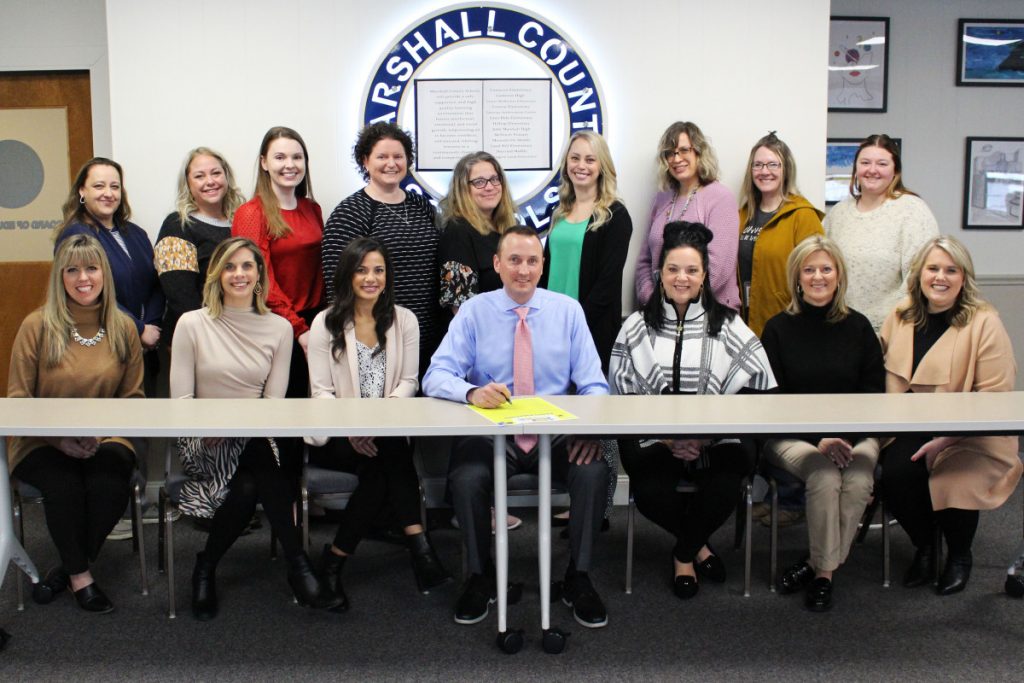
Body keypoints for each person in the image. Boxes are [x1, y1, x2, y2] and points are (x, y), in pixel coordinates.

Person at [423, 225, 611, 629]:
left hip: (556, 432)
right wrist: (471, 392)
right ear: (497, 264)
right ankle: (480, 576)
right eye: (513, 260)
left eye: (531, 261)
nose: (522, 270)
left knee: (595, 471)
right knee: (467, 477)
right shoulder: (475, 311)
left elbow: (595, 384)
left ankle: (578, 577)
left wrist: (589, 430)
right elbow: (435, 376)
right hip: (493, 431)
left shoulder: (567, 310)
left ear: (542, 266)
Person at [170, 237, 341, 620]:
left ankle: (206, 566)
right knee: (265, 470)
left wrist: (238, 428)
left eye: (247, 266)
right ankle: (299, 568)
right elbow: (181, 403)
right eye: (230, 266)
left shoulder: (279, 328)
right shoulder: (191, 324)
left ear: (260, 276)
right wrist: (213, 426)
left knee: (250, 482)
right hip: (204, 438)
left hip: (254, 435)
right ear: (216, 274)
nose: (239, 274)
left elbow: (272, 406)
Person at [609, 221, 775, 601]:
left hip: (716, 439)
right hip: (655, 438)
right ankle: (698, 547)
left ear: (704, 276)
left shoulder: (730, 325)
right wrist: (668, 438)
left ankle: (683, 554)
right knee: (650, 490)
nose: (681, 278)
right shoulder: (636, 327)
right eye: (672, 269)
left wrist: (704, 437)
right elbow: (621, 393)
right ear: (660, 273)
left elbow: (757, 390)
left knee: (728, 479)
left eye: (691, 270)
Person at [306, 237, 451, 610]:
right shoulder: (326, 322)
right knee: (391, 456)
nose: (371, 278)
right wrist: (354, 427)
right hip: (339, 434)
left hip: (385, 430)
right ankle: (421, 549)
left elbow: (408, 382)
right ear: (348, 275)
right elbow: (321, 392)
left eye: (378, 270)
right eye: (362, 270)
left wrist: (378, 421)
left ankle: (335, 562)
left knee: (381, 465)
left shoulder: (403, 320)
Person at [7, 234, 144, 614]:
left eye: (91, 268)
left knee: (108, 484)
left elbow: (132, 400)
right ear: (60, 277)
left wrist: (96, 434)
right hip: (40, 441)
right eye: (72, 270)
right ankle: (81, 578)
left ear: (104, 273)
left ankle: (68, 568)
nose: (83, 278)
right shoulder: (37, 326)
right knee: (65, 487)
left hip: (106, 435)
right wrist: (58, 439)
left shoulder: (122, 327)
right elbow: (18, 400)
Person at [880, 236, 1020, 596]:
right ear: (919, 274)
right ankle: (925, 545)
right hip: (908, 426)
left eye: (950, 270)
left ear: (963, 277)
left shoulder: (984, 322)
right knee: (895, 473)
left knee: (953, 477)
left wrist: (947, 438)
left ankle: (959, 555)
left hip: (973, 433)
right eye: (933, 268)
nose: (940, 277)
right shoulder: (900, 315)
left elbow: (995, 398)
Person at [760, 236, 884, 611]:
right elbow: (773, 400)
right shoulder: (778, 328)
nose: (818, 277)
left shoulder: (860, 327)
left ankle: (818, 568)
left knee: (860, 478)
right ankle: (825, 572)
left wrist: (842, 437)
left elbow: (873, 394)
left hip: (856, 434)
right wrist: (820, 439)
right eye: (809, 269)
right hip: (792, 435)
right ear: (797, 277)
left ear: (839, 275)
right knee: (825, 476)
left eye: (826, 269)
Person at [538, 131, 632, 531]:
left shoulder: (614, 215)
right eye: (574, 158)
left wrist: (574, 328)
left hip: (591, 330)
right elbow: (543, 272)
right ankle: (577, 498)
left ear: (602, 166)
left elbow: (608, 284)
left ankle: (602, 509)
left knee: (595, 419)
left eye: (590, 159)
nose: (581, 165)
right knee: (563, 415)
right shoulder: (560, 213)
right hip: (551, 331)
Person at [437, 150, 522, 532]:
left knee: (496, 433)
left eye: (494, 180)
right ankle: (467, 508)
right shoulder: (458, 230)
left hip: (511, 345)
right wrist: (480, 354)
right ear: (463, 188)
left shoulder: (507, 230)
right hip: (475, 348)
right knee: (474, 433)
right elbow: (459, 305)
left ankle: (484, 504)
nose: (489, 187)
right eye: (479, 181)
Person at [323, 122, 441, 375]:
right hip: (378, 335)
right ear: (365, 161)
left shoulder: (422, 206)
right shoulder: (350, 213)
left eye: (398, 156)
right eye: (382, 156)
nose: (391, 163)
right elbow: (337, 285)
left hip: (429, 333)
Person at [54, 157, 164, 396]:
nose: (108, 193)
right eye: (99, 186)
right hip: (104, 348)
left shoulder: (135, 233)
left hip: (145, 349)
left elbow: (155, 285)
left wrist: (152, 327)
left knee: (140, 424)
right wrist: (137, 328)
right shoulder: (76, 235)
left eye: (114, 187)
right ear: (82, 190)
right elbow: (87, 293)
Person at [232, 126, 324, 399]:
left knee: (313, 410)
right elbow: (257, 281)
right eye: (280, 157)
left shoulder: (312, 208)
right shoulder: (251, 213)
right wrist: (298, 329)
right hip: (274, 323)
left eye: (297, 157)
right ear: (264, 163)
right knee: (284, 409)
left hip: (314, 321)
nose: (290, 165)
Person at [824, 134, 939, 331]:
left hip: (893, 330)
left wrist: (893, 326)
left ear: (896, 171)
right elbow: (822, 266)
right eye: (865, 162)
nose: (872, 170)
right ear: (856, 169)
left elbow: (920, 276)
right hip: (840, 327)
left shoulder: (912, 211)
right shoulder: (838, 213)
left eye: (882, 163)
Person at [635, 122, 740, 311]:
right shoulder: (662, 198)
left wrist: (677, 303)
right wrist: (652, 300)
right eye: (670, 153)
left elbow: (719, 268)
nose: (676, 159)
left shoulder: (720, 197)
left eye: (684, 150)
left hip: (710, 314)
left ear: (699, 153)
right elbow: (645, 260)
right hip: (659, 313)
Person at [736, 132, 825, 337]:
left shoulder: (802, 216)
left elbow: (817, 278)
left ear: (786, 169)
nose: (764, 171)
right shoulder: (742, 215)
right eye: (758, 165)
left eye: (773, 164)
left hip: (788, 325)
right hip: (745, 324)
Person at [155, 147, 246, 342]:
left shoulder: (241, 222)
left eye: (216, 173)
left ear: (226, 177)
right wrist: (210, 337)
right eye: (199, 176)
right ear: (187, 183)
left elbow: (257, 280)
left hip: (241, 332)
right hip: (198, 338)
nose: (210, 181)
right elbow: (181, 296)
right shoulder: (177, 225)